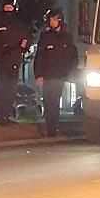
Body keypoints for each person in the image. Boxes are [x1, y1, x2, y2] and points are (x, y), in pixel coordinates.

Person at [0, 0, 33, 126]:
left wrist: (25, 45)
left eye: (10, 8)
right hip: (1, 60)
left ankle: (6, 115)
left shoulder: (19, 24)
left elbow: (27, 38)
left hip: (14, 60)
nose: (8, 10)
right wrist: (1, 48)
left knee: (11, 89)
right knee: (0, 88)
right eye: (6, 8)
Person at [34, 8, 78, 137]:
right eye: (50, 20)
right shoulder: (46, 37)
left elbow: (72, 56)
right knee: (49, 102)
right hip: (48, 75)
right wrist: (39, 75)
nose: (52, 22)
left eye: (54, 19)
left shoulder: (66, 37)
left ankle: (54, 126)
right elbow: (39, 57)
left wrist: (70, 71)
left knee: (55, 101)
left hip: (60, 75)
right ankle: (50, 128)